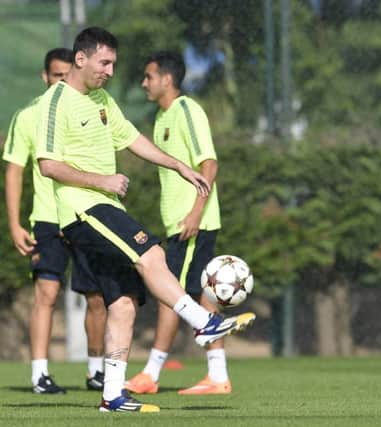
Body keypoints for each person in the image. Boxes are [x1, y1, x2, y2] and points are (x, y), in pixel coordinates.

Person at [34, 27, 255, 413]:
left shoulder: (102, 99)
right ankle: (203, 322)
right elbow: (49, 165)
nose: (110, 70)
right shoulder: (56, 102)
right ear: (81, 59)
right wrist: (102, 180)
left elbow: (133, 139)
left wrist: (181, 167)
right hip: (82, 210)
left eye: (113, 64)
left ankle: (113, 395)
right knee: (150, 252)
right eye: (104, 62)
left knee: (123, 302)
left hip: (105, 209)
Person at [125, 51, 230, 396]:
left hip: (192, 223)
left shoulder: (187, 110)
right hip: (181, 224)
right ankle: (218, 375)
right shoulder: (161, 116)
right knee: (199, 295)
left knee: (170, 295)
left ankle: (151, 374)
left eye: (148, 76)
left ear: (166, 80)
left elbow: (209, 164)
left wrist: (195, 213)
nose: (144, 83)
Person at [3, 48, 107, 394]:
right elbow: (15, 171)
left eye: (67, 74)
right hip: (48, 219)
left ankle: (97, 372)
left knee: (96, 295)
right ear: (45, 77)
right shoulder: (29, 115)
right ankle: (39, 375)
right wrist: (15, 223)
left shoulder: (91, 108)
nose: (62, 80)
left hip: (85, 214)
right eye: (57, 75)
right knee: (46, 293)